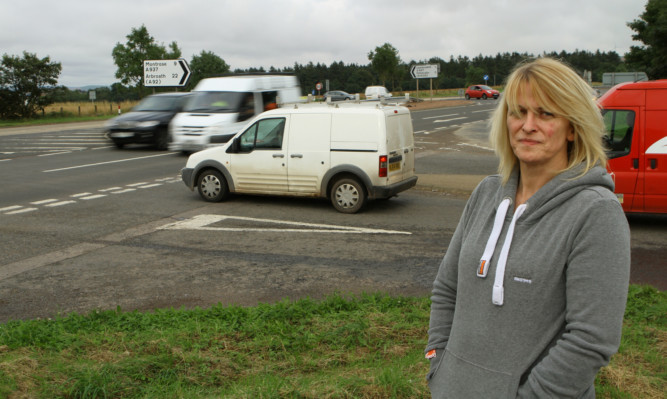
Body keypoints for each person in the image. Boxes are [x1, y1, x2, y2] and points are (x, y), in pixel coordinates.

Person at [425, 57, 630, 398]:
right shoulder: (486, 193)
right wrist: (438, 363)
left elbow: (591, 340)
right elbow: (447, 287)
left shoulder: (596, 212)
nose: (527, 125)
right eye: (518, 112)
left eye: (546, 114)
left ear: (573, 127)